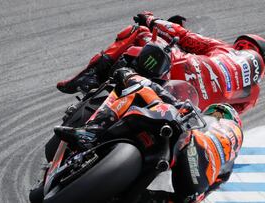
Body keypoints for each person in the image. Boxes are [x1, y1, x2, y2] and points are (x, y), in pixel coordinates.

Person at [54, 67, 243, 203]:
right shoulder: (228, 162)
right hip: (195, 185)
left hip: (191, 144)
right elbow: (211, 187)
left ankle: (92, 132)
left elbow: (169, 100)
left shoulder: (209, 120)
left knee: (139, 91)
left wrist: (130, 76)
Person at [56, 12, 265, 115]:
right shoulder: (252, 94)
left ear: (243, 45)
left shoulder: (226, 49)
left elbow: (184, 36)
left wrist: (152, 20)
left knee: (138, 32)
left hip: (173, 72)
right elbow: (224, 117)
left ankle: (90, 75)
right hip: (187, 107)